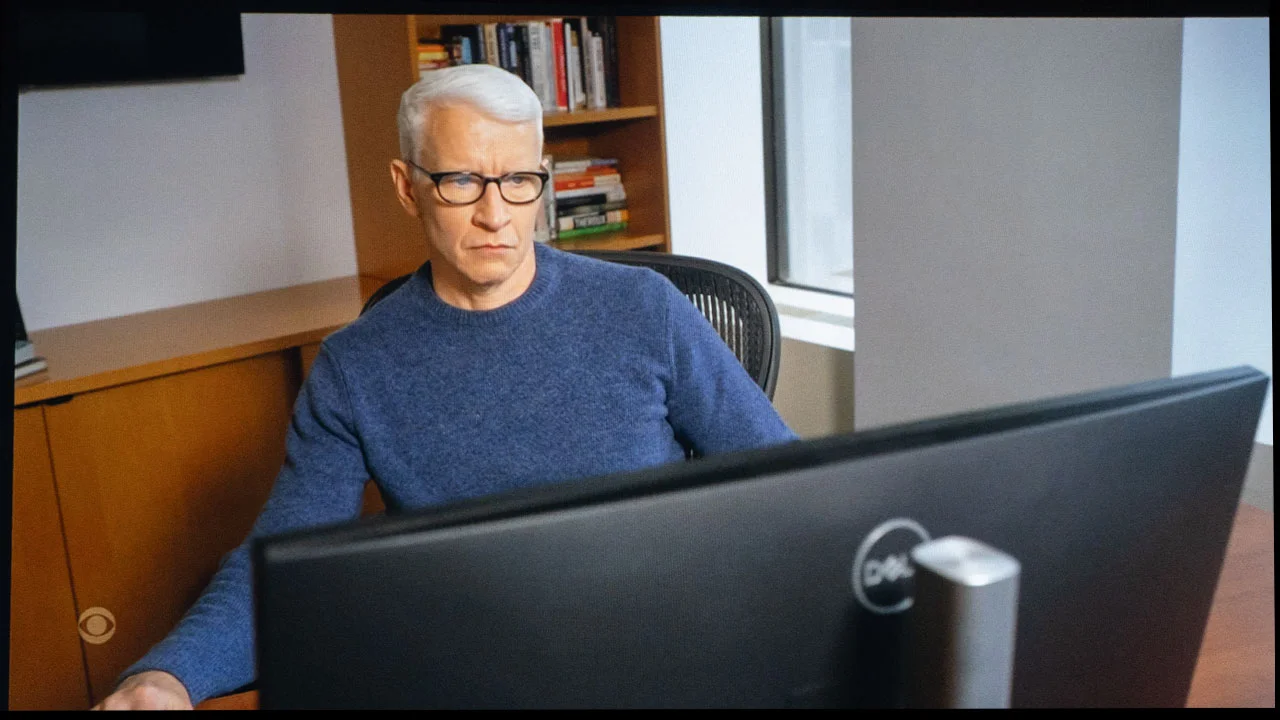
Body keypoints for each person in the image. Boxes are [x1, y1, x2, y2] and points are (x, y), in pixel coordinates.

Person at [94, 64, 796, 710]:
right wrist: (168, 676)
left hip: (653, 651)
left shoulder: (644, 309)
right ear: (407, 186)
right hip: (476, 667)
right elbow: (281, 563)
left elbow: (785, 483)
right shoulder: (355, 367)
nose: (496, 214)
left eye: (519, 180)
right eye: (462, 181)